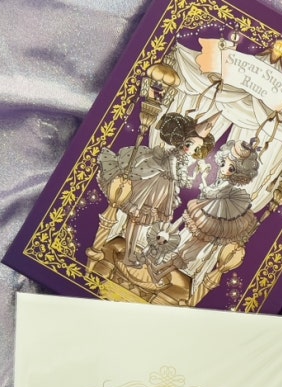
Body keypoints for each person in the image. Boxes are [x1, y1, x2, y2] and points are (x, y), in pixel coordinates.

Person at [97, 112, 215, 266]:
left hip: (161, 191)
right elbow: (177, 177)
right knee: (135, 220)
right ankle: (128, 255)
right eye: (189, 143)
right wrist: (193, 175)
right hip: (151, 189)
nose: (190, 149)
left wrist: (197, 174)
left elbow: (184, 181)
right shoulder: (174, 157)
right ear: (182, 140)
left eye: (196, 148)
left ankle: (130, 254)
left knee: (137, 222)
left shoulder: (182, 159)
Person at [148, 137, 261, 284]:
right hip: (208, 214)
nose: (224, 169)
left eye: (231, 168)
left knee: (189, 251)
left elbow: (210, 193)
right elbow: (209, 193)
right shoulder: (222, 179)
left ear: (239, 173)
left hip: (214, 220)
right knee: (187, 248)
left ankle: (160, 273)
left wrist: (203, 179)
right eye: (223, 164)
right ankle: (159, 270)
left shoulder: (227, 184)